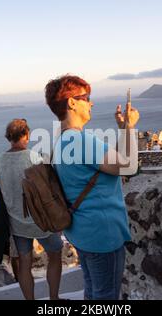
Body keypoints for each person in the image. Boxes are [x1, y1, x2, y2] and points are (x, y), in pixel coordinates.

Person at [45, 75, 139, 300]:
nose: (91, 102)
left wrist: (122, 127)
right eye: (86, 97)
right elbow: (129, 166)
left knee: (93, 290)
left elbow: (112, 162)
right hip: (102, 234)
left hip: (81, 231)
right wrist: (130, 128)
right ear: (72, 103)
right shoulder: (81, 141)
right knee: (105, 296)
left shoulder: (61, 141)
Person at [0, 118, 63, 300]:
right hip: (42, 221)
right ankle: (53, 300)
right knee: (54, 256)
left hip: (16, 223)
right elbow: (47, 189)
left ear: (9, 137)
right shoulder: (33, 157)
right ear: (26, 135)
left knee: (24, 262)